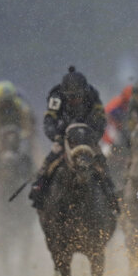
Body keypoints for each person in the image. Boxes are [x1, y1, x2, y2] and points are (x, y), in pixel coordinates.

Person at [28, 66, 116, 212]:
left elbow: (101, 120)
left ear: (85, 92)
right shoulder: (56, 97)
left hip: (87, 135)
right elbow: (49, 121)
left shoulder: (93, 95)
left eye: (78, 96)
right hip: (64, 135)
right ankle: (39, 188)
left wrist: (93, 137)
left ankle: (111, 194)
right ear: (64, 95)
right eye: (71, 97)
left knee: (100, 161)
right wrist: (56, 136)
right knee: (50, 160)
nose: (75, 100)